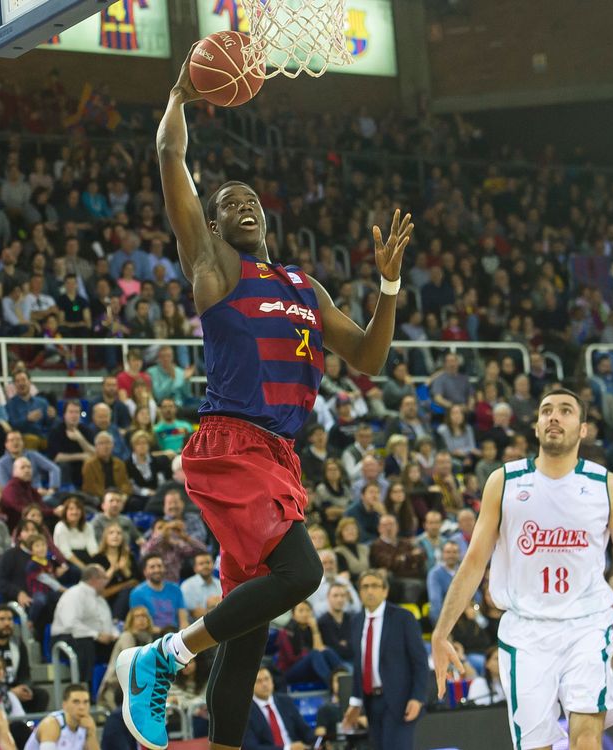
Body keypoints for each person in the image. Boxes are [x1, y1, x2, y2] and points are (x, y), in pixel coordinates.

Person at [115, 54, 413, 750]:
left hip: (278, 456)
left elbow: (369, 358)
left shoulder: (305, 286)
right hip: (232, 444)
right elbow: (170, 157)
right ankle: (160, 657)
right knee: (303, 573)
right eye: (227, 203)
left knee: (245, 634)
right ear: (214, 226)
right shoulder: (215, 265)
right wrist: (179, 97)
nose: (241, 205)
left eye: (249, 199)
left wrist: (389, 289)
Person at [431, 389, 613, 750]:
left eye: (566, 411)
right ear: (536, 427)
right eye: (546, 410)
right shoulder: (504, 481)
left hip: (586, 625)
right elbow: (473, 562)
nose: (554, 416)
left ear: (583, 429)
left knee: (586, 741)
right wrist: (441, 632)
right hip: (526, 631)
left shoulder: (607, 484)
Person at [340, 570, 427, 750]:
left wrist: (417, 697)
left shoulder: (403, 618)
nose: (370, 591)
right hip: (371, 702)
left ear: (385, 591)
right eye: (365, 587)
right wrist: (355, 702)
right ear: (359, 592)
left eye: (375, 586)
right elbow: (359, 665)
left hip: (400, 701)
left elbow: (420, 662)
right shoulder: (356, 622)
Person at [0, 606, 50, 714]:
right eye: (2, 619)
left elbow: (25, 674)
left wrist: (25, 687)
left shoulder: (18, 644)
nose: (7, 623)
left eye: (10, 619)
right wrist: (9, 692)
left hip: (15, 688)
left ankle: (27, 724)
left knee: (41, 695)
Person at [52, 565, 119, 689]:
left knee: (121, 646)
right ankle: (85, 687)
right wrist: (97, 635)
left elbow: (108, 623)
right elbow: (70, 624)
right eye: (104, 578)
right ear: (94, 579)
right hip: (68, 638)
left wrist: (114, 635)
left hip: (94, 639)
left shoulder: (100, 599)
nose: (107, 582)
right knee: (85, 644)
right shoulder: (74, 594)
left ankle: (116, 687)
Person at [242, 666, 317, 750]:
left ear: (272, 681)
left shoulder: (285, 701)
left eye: (267, 679)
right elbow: (250, 747)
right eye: (259, 681)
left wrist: (319, 742)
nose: (264, 684)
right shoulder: (246, 711)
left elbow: (305, 731)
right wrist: (287, 748)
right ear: (251, 685)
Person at [23, 683, 99, 750]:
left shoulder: (87, 725)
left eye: (85, 702)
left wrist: (91, 734)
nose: (82, 707)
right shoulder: (51, 724)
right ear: (64, 705)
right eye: (76, 702)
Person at [127, 554, 188, 632]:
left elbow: (183, 621)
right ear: (145, 572)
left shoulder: (175, 589)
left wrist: (182, 634)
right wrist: (164, 633)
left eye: (159, 566)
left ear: (164, 569)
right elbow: (140, 624)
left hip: (175, 633)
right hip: (151, 634)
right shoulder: (137, 593)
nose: (157, 570)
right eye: (152, 567)